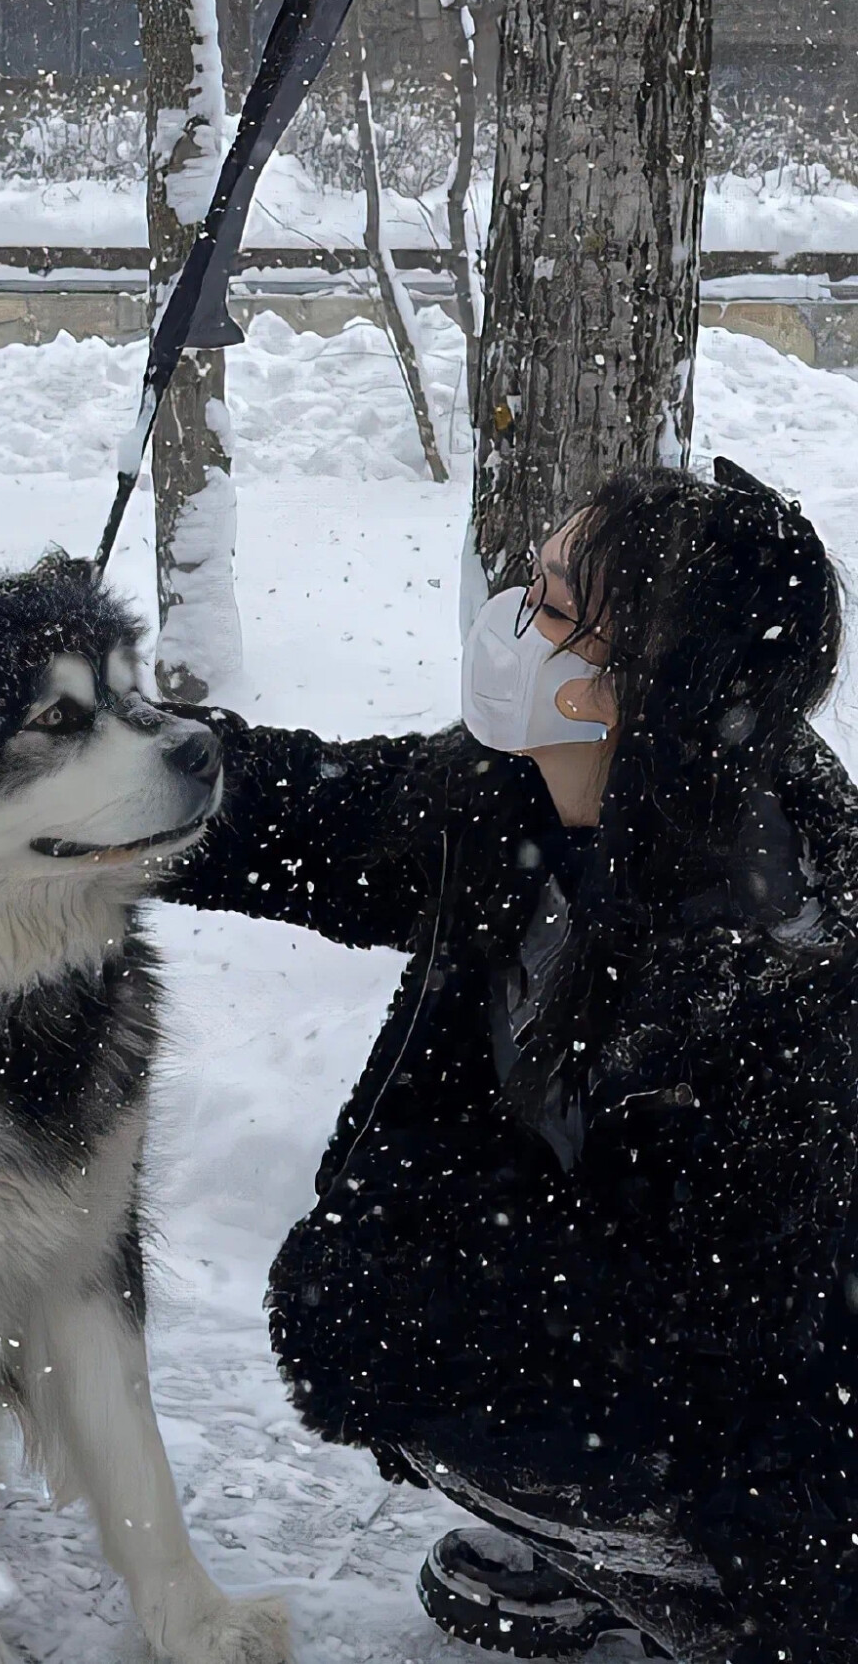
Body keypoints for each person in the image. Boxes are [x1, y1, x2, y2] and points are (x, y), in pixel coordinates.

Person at [165, 459, 858, 1663]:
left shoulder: (767, 952)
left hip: (782, 1408)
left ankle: (689, 1575)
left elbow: (784, 1346)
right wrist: (105, 767)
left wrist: (785, 1606)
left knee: (389, 1310)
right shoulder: (524, 797)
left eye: (542, 603)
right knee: (398, 1283)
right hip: (623, 1293)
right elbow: (320, 814)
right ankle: (596, 1539)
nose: (509, 621)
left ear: (620, 688)